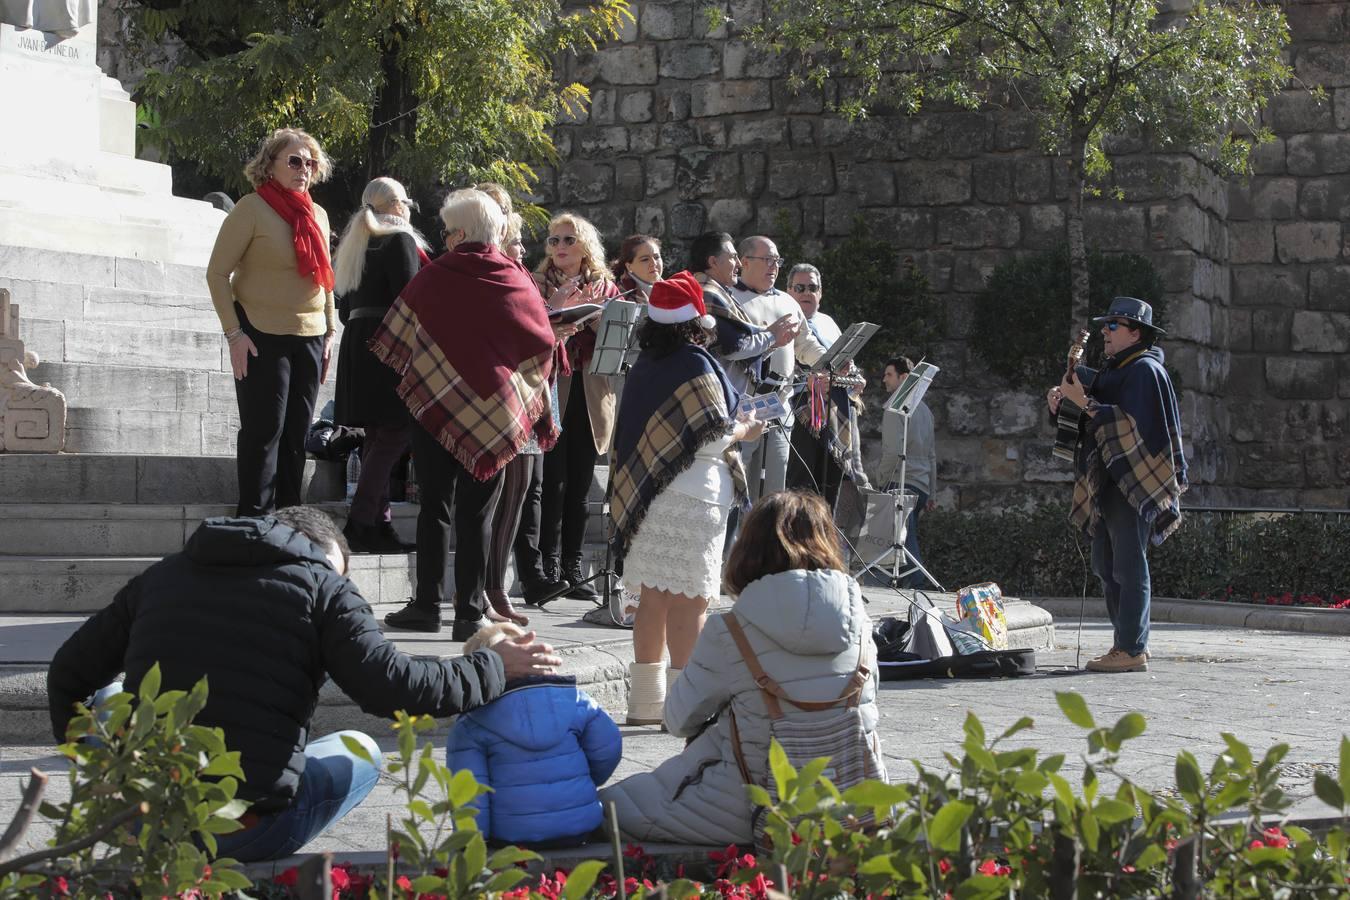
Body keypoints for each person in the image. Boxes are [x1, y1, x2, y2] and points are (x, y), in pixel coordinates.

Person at [46, 506, 562, 862]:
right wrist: (494, 664)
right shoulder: (322, 587)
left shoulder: (159, 577)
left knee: (111, 699)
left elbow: (67, 674)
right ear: (316, 553)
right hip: (243, 832)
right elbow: (395, 687)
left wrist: (103, 778)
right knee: (361, 748)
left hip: (146, 817)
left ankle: (134, 812)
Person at [601, 490, 882, 844]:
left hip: (751, 807)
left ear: (749, 548)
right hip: (856, 807)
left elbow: (677, 720)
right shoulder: (862, 624)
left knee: (612, 805)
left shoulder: (728, 631)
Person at [374, 189, 560, 641]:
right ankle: (468, 613)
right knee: (477, 513)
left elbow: (397, 335)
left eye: (446, 230)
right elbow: (543, 344)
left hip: (435, 402)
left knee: (434, 505)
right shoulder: (516, 278)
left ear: (458, 233)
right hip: (496, 410)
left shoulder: (435, 274)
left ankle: (425, 605)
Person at [609, 271, 764, 725]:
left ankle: (643, 706)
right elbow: (713, 436)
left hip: (650, 496)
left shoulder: (645, 365)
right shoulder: (696, 365)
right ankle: (685, 708)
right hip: (696, 498)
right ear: (697, 322)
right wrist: (747, 429)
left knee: (652, 600)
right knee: (692, 602)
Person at [1047, 297, 1187, 674]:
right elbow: (1094, 414)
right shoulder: (1115, 370)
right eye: (1106, 325)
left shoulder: (1145, 372)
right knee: (1106, 564)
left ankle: (1131, 647)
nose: (1105, 332)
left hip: (1134, 482)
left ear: (1135, 332)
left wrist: (1084, 403)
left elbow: (1132, 428)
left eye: (1114, 325)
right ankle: (1126, 642)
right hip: (1109, 478)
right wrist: (1063, 404)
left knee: (1127, 564)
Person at [206, 128, 336, 517]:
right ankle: (254, 519)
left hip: (311, 334)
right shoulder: (251, 208)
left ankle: (289, 517)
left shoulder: (318, 214)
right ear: (270, 165)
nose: (304, 170)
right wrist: (234, 335)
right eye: (294, 161)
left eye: (310, 163)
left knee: (297, 435)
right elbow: (216, 274)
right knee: (265, 431)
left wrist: (330, 330)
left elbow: (325, 277)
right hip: (260, 331)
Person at [447, 623, 622, 847]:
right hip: (579, 825)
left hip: (511, 835)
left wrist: (470, 845)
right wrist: (581, 781)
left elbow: (470, 793)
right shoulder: (577, 702)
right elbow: (609, 748)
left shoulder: (471, 725)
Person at [332, 177, 429, 554]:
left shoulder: (357, 240)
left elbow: (343, 306)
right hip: (391, 342)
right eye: (406, 201)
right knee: (395, 433)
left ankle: (378, 523)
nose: (408, 208)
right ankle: (359, 522)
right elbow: (411, 297)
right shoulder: (400, 239)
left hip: (359, 339)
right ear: (395, 205)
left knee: (378, 437)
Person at [530, 212, 622, 606]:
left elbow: (618, 345)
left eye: (568, 240)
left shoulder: (606, 287)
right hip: (552, 390)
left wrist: (596, 316)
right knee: (553, 482)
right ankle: (548, 566)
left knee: (581, 485)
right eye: (554, 241)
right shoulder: (535, 284)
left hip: (591, 392)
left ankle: (573, 566)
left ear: (585, 246)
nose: (560, 248)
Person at [730, 237, 828, 501]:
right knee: (740, 483)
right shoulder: (729, 299)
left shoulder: (787, 302)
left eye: (777, 261)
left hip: (780, 405)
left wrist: (833, 362)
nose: (774, 266)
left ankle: (772, 538)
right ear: (745, 262)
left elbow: (806, 345)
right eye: (767, 260)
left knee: (777, 486)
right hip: (744, 405)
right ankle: (737, 540)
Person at [880, 357, 937, 587]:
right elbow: (932, 455)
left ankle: (917, 583)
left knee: (903, 543)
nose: (884, 379)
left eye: (889, 374)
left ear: (904, 378)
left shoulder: (896, 406)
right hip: (921, 484)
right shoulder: (926, 411)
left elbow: (892, 451)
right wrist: (931, 492)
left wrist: (881, 480)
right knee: (904, 540)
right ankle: (907, 585)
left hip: (900, 480)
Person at [612, 234, 663, 300]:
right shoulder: (618, 296)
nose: (654, 263)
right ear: (629, 266)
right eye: (645, 259)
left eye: (656, 257)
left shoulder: (673, 289)